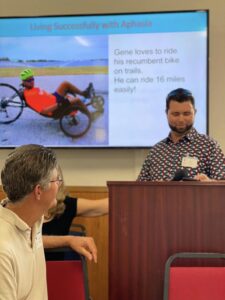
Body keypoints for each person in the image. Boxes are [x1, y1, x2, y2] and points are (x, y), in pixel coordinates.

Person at [0, 144, 97, 300]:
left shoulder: (33, 219)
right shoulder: (3, 250)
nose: (59, 185)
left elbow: (24, 243)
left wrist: (68, 240)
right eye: (56, 180)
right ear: (39, 191)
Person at [138, 88, 225, 182]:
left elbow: (222, 184)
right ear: (166, 113)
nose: (181, 119)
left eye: (186, 114)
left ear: (194, 113)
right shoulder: (156, 151)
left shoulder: (209, 146)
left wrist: (209, 182)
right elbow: (139, 188)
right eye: (175, 114)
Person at [43, 165, 108, 236]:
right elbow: (35, 241)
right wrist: (69, 241)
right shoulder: (30, 206)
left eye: (58, 180)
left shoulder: (65, 204)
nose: (57, 184)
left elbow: (101, 206)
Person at [19, 68, 92, 116]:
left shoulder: (30, 89)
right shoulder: (30, 96)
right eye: (29, 80)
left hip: (54, 98)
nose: (32, 81)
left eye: (32, 79)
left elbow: (43, 96)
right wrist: (59, 104)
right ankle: (90, 116)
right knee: (77, 100)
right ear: (24, 82)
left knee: (65, 84)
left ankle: (84, 94)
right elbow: (43, 111)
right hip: (55, 107)